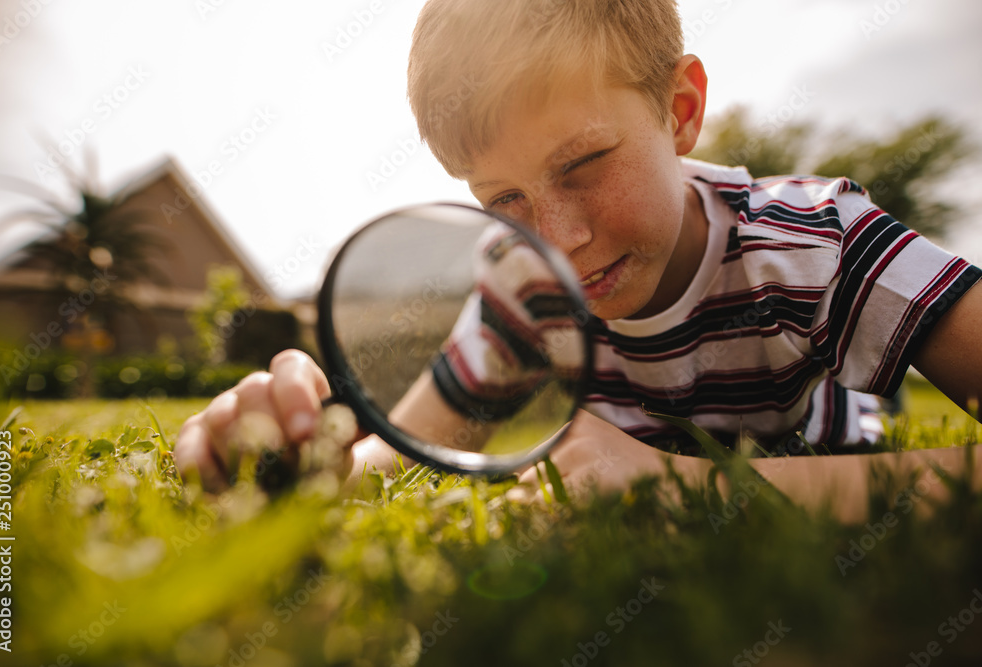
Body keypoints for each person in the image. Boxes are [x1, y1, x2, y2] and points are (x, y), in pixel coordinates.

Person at [174, 0, 982, 523]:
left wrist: (695, 487)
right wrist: (283, 451)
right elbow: (399, 452)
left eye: (584, 161)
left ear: (681, 109)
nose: (554, 242)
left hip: (829, 430)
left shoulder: (816, 243)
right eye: (505, 198)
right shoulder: (522, 287)